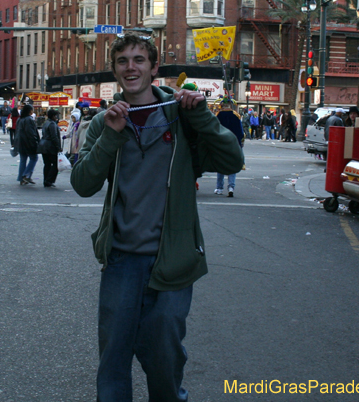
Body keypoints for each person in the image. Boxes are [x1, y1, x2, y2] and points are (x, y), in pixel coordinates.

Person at [70, 33, 244, 400]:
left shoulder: (181, 116)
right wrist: (111, 136)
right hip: (121, 258)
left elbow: (232, 161)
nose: (130, 67)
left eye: (138, 60)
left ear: (153, 68)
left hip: (173, 258)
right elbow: (83, 183)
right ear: (115, 70)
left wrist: (202, 118)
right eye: (122, 61)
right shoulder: (104, 122)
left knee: (165, 353)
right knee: (114, 356)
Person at [215, 98, 244, 197]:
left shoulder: (218, 115)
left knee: (221, 165)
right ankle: (231, 186)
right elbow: (240, 132)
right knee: (232, 165)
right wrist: (241, 142)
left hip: (221, 142)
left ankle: (219, 188)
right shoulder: (236, 115)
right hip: (233, 143)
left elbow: (215, 129)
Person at [15, 104, 39, 185]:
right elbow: (31, 133)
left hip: (20, 142)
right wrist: (34, 142)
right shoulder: (29, 119)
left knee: (23, 160)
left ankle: (21, 178)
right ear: (30, 111)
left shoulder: (20, 119)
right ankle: (26, 175)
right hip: (27, 142)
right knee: (34, 158)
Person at [39, 108, 62, 187]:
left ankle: (46, 180)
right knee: (55, 164)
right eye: (55, 115)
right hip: (50, 146)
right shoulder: (52, 124)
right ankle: (49, 180)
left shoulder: (46, 123)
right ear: (52, 116)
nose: (56, 117)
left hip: (43, 146)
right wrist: (58, 147)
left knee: (47, 164)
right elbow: (54, 137)